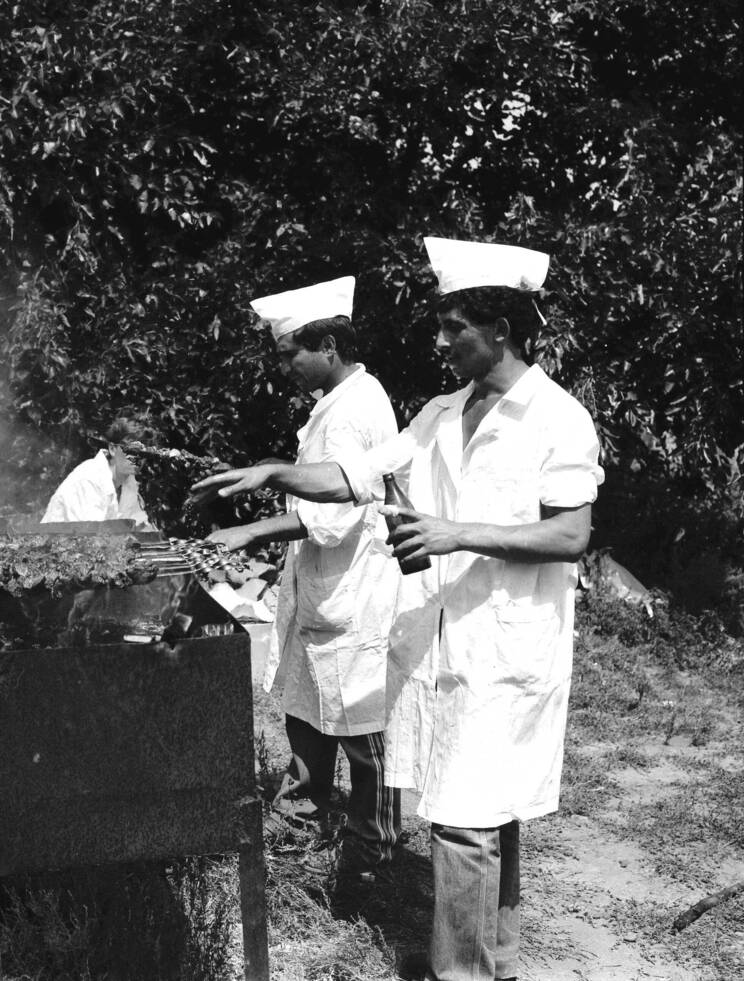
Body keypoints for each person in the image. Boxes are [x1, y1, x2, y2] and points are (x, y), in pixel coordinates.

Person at [190, 238, 604, 981]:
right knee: (480, 805)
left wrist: (454, 533)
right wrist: (276, 472)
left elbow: (571, 532)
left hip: (507, 642)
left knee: (468, 818)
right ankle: (496, 960)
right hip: (442, 639)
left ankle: (464, 971)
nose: (439, 342)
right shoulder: (441, 412)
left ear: (500, 329)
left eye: (454, 327)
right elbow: (360, 474)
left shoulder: (557, 417)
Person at [208, 275, 403, 881]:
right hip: (325, 583)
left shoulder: (354, 409)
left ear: (328, 346)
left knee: (357, 721)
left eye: (290, 353)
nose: (285, 366)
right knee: (308, 701)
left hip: (353, 587)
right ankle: (302, 817)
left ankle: (373, 848)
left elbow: (332, 513)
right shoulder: (340, 400)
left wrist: (249, 533)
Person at [41, 415, 151, 526]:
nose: (137, 459)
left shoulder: (129, 481)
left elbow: (140, 526)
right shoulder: (89, 479)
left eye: (143, 454)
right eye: (131, 451)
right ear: (112, 449)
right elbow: (90, 537)